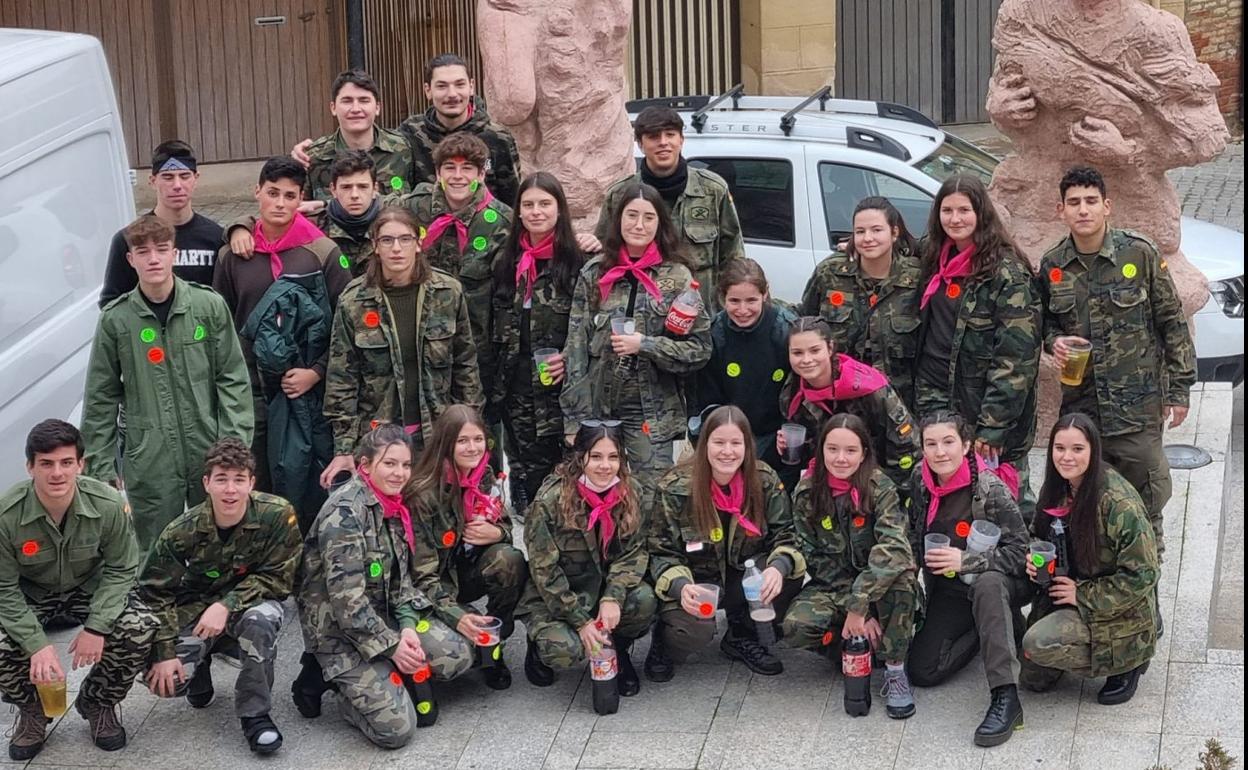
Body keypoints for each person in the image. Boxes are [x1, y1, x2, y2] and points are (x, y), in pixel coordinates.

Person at [1037, 165, 1194, 562]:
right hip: (1083, 411)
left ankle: (1147, 587)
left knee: (1146, 504)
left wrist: (1178, 390)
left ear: (1107, 206)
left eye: (1091, 201)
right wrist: (1055, 342)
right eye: (1074, 202)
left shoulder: (1138, 253)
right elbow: (1045, 324)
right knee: (1084, 504)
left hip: (1136, 410)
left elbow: (1172, 322)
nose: (1083, 210)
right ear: (1060, 210)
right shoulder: (1053, 266)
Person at [294, 424, 473, 747]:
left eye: (405, 465)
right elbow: (347, 605)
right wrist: (393, 647)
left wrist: (406, 628)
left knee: (455, 655)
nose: (399, 473)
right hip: (339, 631)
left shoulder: (392, 503)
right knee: (396, 730)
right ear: (365, 465)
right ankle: (328, 680)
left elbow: (401, 581)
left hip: (382, 613)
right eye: (389, 463)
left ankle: (384, 672)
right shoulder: (345, 514)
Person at [82, 215, 253, 548]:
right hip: (149, 457)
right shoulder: (116, 320)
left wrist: (232, 446)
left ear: (174, 254)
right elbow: (101, 397)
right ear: (130, 259)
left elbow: (233, 379)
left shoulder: (207, 306)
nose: (154, 259)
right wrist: (100, 469)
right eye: (143, 252)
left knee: (220, 543)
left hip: (209, 447)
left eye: (161, 249)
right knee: (155, 549)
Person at [0, 420, 156, 760]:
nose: (57, 473)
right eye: (46, 463)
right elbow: (3, 588)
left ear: (80, 465)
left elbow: (121, 568)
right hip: (33, 594)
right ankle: (33, 710)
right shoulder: (6, 515)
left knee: (140, 625)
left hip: (89, 588)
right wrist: (36, 644)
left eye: (66, 462)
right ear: (30, 467)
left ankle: (98, 702)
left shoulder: (107, 504)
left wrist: (97, 626)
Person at [138, 438, 301, 754]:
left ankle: (255, 715)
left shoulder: (277, 515)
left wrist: (226, 605)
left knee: (262, 620)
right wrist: (164, 651)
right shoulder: (181, 531)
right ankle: (199, 666)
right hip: (194, 611)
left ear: (251, 483)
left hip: (250, 603)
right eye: (221, 479)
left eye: (239, 480)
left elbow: (280, 578)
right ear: (206, 483)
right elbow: (154, 591)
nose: (230, 490)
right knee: (166, 683)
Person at [561, 182, 712, 492]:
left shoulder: (677, 278)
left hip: (652, 411)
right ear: (618, 219)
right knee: (597, 492)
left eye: (648, 217)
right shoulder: (595, 273)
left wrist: (646, 345)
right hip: (600, 407)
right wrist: (575, 419)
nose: (639, 225)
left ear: (660, 224)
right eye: (631, 215)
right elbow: (575, 349)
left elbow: (699, 349)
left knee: (650, 496)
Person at [214, 157, 352, 492]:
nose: (279, 203)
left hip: (308, 392)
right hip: (251, 391)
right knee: (253, 479)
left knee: (305, 485)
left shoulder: (323, 252)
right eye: (272, 193)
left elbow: (345, 327)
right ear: (257, 192)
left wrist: (317, 372)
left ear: (301, 198)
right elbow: (220, 325)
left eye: (290, 196)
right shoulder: (232, 255)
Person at [322, 207, 484, 483]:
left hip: (437, 434)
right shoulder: (354, 300)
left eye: (405, 239)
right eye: (387, 240)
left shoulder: (448, 292)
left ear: (418, 243)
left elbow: (466, 368)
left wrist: (467, 435)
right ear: (375, 246)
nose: (396, 248)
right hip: (379, 438)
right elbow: (342, 378)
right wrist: (344, 448)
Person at [647, 406, 805, 679]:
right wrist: (681, 587)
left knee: (788, 572)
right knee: (694, 632)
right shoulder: (676, 487)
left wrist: (778, 568)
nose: (727, 452)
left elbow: (788, 534)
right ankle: (664, 639)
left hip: (741, 578)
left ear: (748, 446)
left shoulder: (764, 481)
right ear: (704, 444)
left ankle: (741, 633)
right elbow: (660, 550)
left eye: (736, 443)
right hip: (697, 582)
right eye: (719, 442)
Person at [914, 174, 1040, 509]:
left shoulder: (1006, 273)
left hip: (984, 408)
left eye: (964, 210)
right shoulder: (933, 257)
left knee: (1003, 499)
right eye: (947, 210)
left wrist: (992, 425)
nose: (955, 219)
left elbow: (1017, 359)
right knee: (945, 493)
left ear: (980, 213)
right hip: (935, 396)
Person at [905, 412, 1030, 747]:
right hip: (950, 589)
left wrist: (967, 560)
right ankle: (987, 628)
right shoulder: (920, 479)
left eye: (948, 442)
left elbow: (1022, 552)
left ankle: (1006, 697)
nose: (940, 452)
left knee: (987, 585)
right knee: (922, 671)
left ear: (966, 446)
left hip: (998, 581)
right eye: (931, 444)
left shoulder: (989, 489)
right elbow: (913, 531)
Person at [782, 414, 918, 719]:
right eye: (832, 449)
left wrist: (861, 604)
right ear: (821, 451)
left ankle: (895, 669)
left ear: (864, 453)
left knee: (903, 581)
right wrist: (855, 609)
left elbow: (895, 549)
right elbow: (813, 557)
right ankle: (852, 648)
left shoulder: (880, 487)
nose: (840, 459)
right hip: (834, 585)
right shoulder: (807, 492)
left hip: (879, 585)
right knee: (796, 627)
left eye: (850, 450)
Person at [1020, 413, 1159, 706]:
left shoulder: (1118, 504)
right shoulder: (1057, 486)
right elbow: (1037, 534)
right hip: (1066, 589)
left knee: (1037, 643)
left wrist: (1081, 594)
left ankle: (1129, 659)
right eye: (1060, 448)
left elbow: (1144, 575)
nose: (1067, 457)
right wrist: (1034, 556)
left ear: (1093, 450)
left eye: (1077, 449)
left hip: (1116, 608)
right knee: (1033, 679)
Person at [519, 421, 655, 695]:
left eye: (613, 457)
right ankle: (537, 644)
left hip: (603, 589)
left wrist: (612, 597)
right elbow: (545, 573)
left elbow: (633, 553)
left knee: (644, 601)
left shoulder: (632, 492)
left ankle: (617, 649)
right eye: (596, 457)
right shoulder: (550, 501)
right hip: (559, 596)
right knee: (564, 651)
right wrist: (581, 621)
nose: (605, 466)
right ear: (580, 458)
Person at [404, 405, 528, 691]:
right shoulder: (425, 494)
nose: (472, 448)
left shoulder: (482, 474)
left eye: (478, 439)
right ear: (446, 444)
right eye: (462, 441)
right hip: (435, 586)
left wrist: (498, 532)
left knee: (509, 560)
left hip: (467, 572)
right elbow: (422, 577)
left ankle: (494, 643)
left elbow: (504, 523)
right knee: (455, 654)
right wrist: (458, 618)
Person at [490, 172, 586, 515]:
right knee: (524, 459)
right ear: (518, 211)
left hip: (560, 384)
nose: (536, 212)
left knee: (564, 465)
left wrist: (570, 356)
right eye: (528, 205)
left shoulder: (578, 262)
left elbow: (591, 324)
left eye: (545, 204)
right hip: (515, 380)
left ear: (559, 209)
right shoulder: (506, 261)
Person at [395, 133, 512, 409]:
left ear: (481, 174)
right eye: (450, 168)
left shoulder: (501, 222)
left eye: (467, 168)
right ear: (438, 173)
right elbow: (369, 210)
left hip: (475, 354)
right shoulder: (414, 207)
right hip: (418, 345)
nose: (458, 176)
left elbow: (507, 297)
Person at [595, 106, 745, 310]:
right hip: (641, 313)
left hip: (700, 311)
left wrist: (727, 311)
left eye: (670, 134)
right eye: (654, 136)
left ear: (681, 140)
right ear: (640, 144)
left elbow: (734, 256)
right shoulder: (620, 195)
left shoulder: (713, 190)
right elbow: (605, 253)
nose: (663, 142)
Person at [799, 197, 923, 408]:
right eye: (860, 231)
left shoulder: (915, 278)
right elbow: (806, 322)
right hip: (839, 400)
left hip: (896, 403)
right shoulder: (830, 273)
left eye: (876, 230)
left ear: (894, 233)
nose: (868, 238)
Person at [776, 317, 918, 497]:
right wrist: (789, 446)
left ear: (830, 348)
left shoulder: (870, 388)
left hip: (875, 483)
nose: (806, 360)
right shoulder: (792, 393)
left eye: (815, 350)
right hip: (825, 482)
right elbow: (808, 452)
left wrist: (890, 495)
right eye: (797, 353)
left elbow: (907, 446)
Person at [694, 257, 797, 479]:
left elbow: (802, 387)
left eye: (751, 300)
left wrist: (789, 430)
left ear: (765, 294)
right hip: (731, 439)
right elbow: (705, 399)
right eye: (734, 301)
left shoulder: (785, 330)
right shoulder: (715, 334)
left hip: (777, 437)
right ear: (722, 297)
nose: (743, 310)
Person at [99, 140, 223, 307]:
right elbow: (111, 304)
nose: (177, 185)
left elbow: (225, 301)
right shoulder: (129, 239)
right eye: (168, 177)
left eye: (184, 176)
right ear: (152, 181)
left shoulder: (216, 237)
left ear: (196, 179)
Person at [398, 53, 523, 207]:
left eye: (459, 84)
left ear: (471, 86)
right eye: (442, 86)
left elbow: (513, 202)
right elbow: (398, 189)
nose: (452, 94)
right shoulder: (409, 134)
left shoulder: (497, 138)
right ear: (428, 90)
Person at [300, 69, 417, 209]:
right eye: (347, 101)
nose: (356, 109)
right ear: (333, 108)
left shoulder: (402, 149)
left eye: (364, 100)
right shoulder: (313, 157)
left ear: (377, 107)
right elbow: (300, 209)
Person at [319, 150, 383, 276]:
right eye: (346, 187)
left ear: (375, 189)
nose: (354, 195)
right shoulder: (317, 228)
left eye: (363, 187)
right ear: (333, 190)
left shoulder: (390, 226)